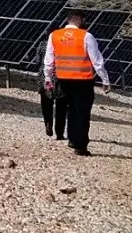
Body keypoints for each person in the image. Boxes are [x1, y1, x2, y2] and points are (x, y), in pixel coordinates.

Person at [42, 10, 111, 156]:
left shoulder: (54, 35)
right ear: (79, 20)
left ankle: (72, 138)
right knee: (82, 111)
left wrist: (48, 78)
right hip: (83, 80)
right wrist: (105, 79)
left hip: (63, 78)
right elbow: (97, 61)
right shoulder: (86, 36)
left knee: (71, 108)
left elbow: (48, 60)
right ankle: (80, 145)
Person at [39, 76, 66, 140]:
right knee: (61, 104)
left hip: (46, 73)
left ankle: (48, 122)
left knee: (46, 100)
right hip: (61, 74)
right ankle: (60, 132)